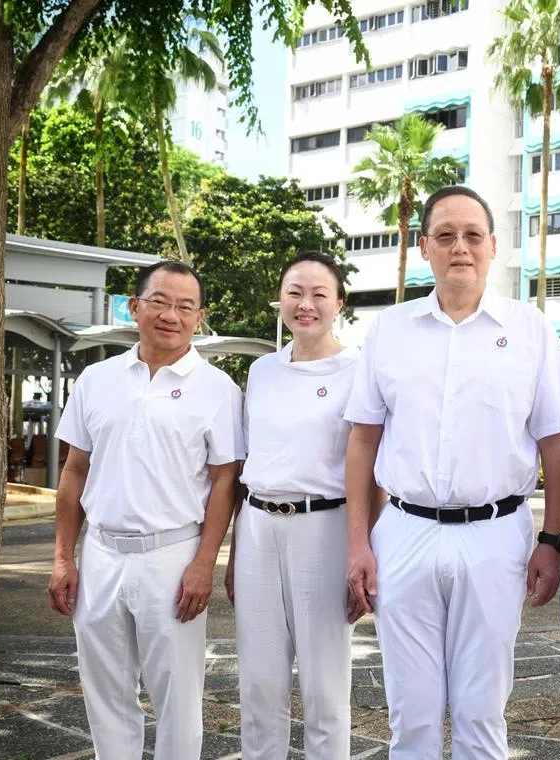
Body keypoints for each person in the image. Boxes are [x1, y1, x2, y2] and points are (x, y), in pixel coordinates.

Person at [343, 185, 560, 759]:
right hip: (404, 532)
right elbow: (362, 442)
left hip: (497, 535)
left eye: (473, 235)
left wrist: (551, 540)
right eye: (445, 235)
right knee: (411, 713)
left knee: (481, 711)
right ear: (424, 247)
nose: (460, 247)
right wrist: (358, 543)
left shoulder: (531, 331)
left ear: (494, 246)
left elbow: (557, 445)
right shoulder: (390, 330)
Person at [49, 260, 243, 759]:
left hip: (173, 557)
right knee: (106, 693)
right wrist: (63, 558)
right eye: (158, 301)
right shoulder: (96, 378)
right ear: (134, 307)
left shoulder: (219, 388)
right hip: (101, 554)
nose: (170, 315)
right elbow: (74, 471)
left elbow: (227, 481)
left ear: (199, 317)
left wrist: (204, 564)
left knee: (177, 697)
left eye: (184, 306)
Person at [226, 252, 358, 759]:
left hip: (325, 527)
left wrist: (360, 552)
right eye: (295, 293)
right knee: (259, 682)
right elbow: (249, 466)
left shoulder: (359, 369)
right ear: (279, 299)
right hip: (259, 525)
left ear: (338, 303)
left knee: (324, 687)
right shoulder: (262, 370)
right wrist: (237, 554)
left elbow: (372, 472)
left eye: (319, 294)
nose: (306, 305)